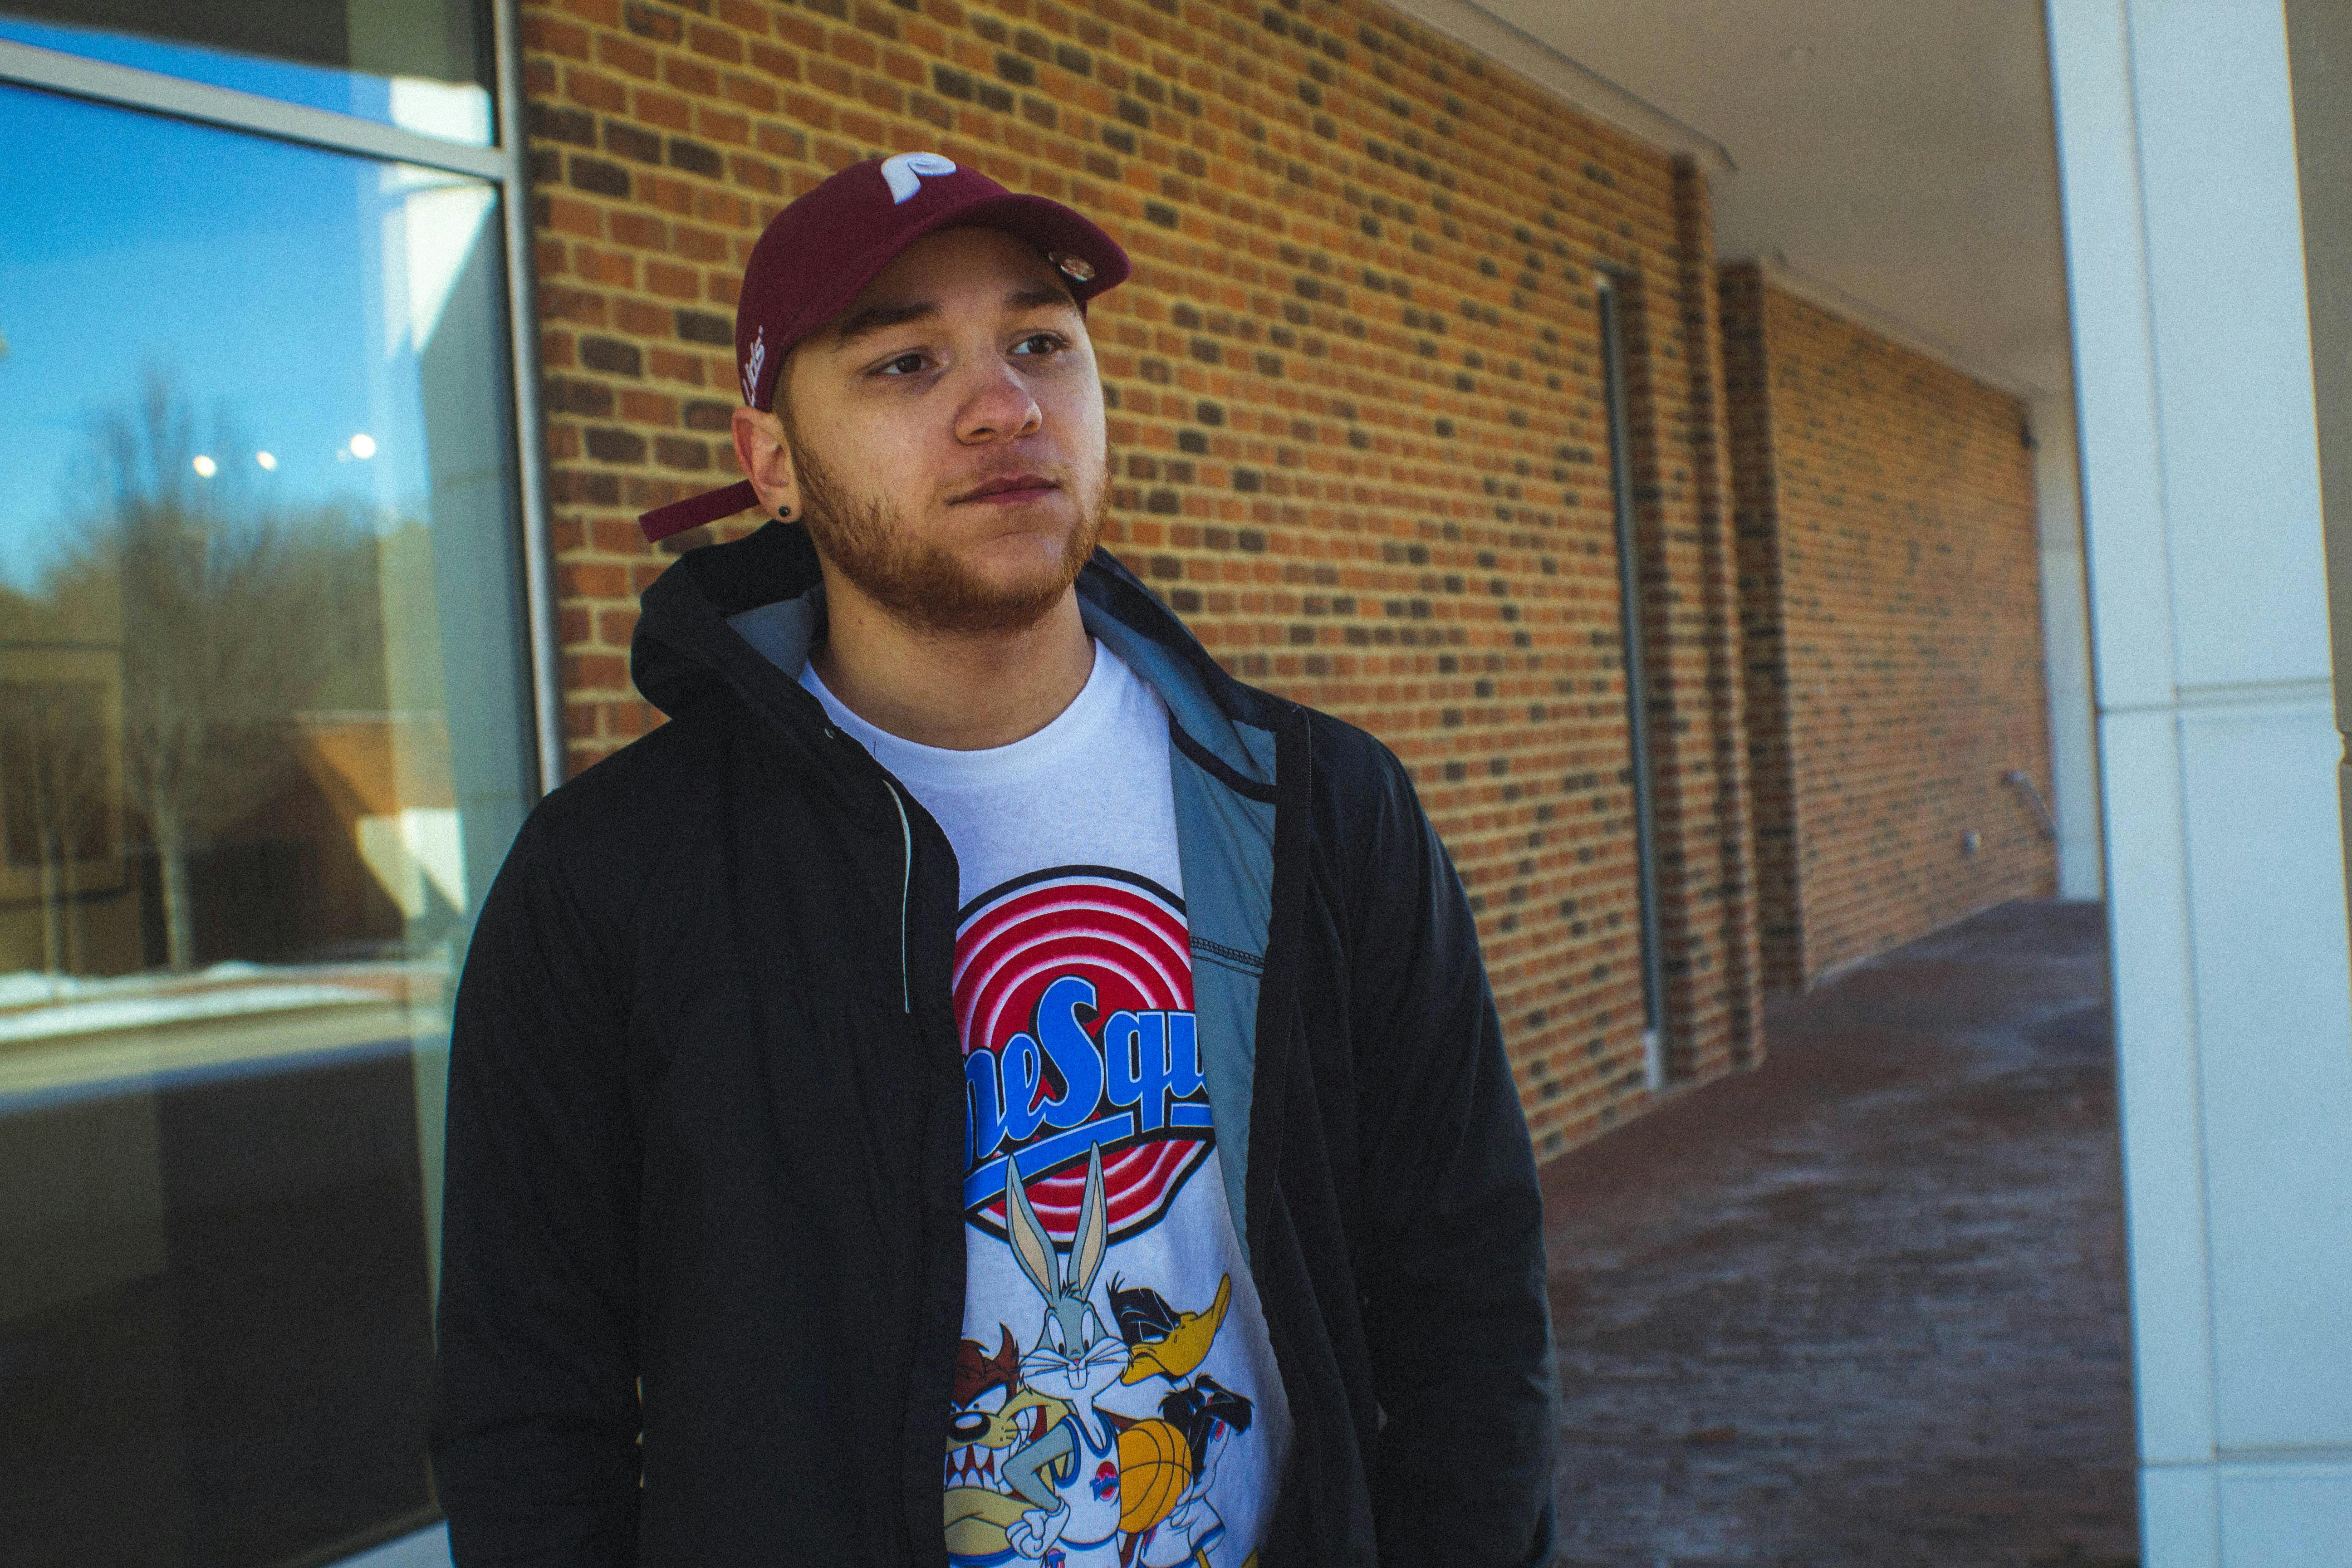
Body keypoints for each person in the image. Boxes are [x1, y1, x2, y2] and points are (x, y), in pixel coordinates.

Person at [430, 151, 1557, 1568]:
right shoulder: (612, 880)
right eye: (905, 363)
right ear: (771, 461)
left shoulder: (1317, 811)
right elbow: (530, 1399)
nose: (1004, 404)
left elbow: (1468, 1301)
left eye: (1041, 343)